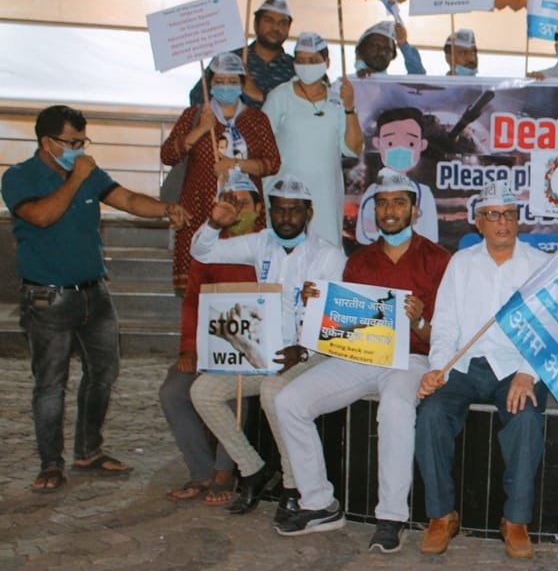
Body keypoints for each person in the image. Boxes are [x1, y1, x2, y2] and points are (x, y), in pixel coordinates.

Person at [3, 105, 190, 492]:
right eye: (71, 142)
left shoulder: (89, 173)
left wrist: (165, 209)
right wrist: (75, 178)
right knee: (50, 383)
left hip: (94, 292)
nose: (78, 149)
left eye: (82, 142)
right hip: (47, 297)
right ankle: (50, 464)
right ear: (47, 142)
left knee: (104, 372)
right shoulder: (19, 176)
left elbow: (128, 200)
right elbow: (41, 216)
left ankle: (89, 450)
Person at [274, 169, 450, 551]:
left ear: (414, 211)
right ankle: (319, 503)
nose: (389, 211)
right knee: (288, 401)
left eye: (398, 203)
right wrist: (317, 305)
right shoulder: (359, 261)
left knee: (396, 407)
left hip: (410, 359)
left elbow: (444, 336)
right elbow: (342, 325)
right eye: (382, 203)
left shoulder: (438, 260)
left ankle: (391, 517)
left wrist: (419, 320)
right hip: (361, 355)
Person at [189, 175, 347, 517]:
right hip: (265, 353)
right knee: (203, 391)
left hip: (310, 354)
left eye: (295, 210)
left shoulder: (329, 256)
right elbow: (201, 252)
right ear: (270, 212)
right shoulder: (261, 243)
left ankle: (292, 484)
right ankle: (252, 470)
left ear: (309, 213)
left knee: (273, 391)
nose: (286, 218)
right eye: (279, 210)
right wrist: (215, 223)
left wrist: (302, 350)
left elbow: (333, 323)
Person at [415, 182, 550, 559]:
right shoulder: (461, 263)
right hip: (465, 364)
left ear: (518, 220)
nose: (502, 222)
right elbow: (445, 325)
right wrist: (438, 369)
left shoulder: (540, 265)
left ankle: (516, 520)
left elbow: (549, 329)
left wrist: (528, 372)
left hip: (515, 367)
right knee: (431, 412)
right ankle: (441, 515)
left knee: (526, 418)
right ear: (478, 222)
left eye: (508, 214)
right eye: (492, 215)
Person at [160, 170, 259, 506]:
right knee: (173, 392)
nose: (237, 211)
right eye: (230, 203)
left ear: (259, 210)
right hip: (212, 345)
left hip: (254, 350)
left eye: (244, 204)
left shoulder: (269, 245)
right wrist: (188, 349)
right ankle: (200, 471)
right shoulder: (209, 249)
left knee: (230, 392)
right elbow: (192, 301)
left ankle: (224, 472)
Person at [162, 52, 281, 294]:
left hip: (245, 216)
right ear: (210, 84)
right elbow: (168, 156)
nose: (226, 86)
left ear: (242, 84)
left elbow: (273, 163)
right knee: (199, 286)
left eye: (232, 81)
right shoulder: (193, 115)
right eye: (220, 81)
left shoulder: (257, 119)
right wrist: (201, 129)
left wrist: (236, 165)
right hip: (200, 211)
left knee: (244, 285)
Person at [261, 32, 361, 248]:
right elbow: (260, 144)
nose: (306, 66)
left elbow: (353, 149)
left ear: (327, 62)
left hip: (325, 198)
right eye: (301, 60)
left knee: (324, 256)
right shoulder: (279, 96)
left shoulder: (337, 100)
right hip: (284, 198)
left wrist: (349, 106)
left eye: (313, 60)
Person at [187, 0, 295, 109]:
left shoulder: (295, 68)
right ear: (255, 24)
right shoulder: (229, 58)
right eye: (269, 20)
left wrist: (260, 96)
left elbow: (301, 110)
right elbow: (198, 97)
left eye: (283, 23)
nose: (276, 27)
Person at [355, 107, 440, 244]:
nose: (400, 149)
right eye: (390, 143)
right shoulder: (372, 192)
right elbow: (362, 236)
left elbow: (431, 238)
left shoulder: (424, 193)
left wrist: (383, 230)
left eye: (410, 143)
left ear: (422, 145)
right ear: (377, 143)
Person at [354, 20, 425, 77]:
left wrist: (404, 45)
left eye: (387, 49)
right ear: (360, 50)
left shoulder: (395, 87)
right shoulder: (349, 84)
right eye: (376, 46)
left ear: (393, 56)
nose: (382, 52)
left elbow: (418, 79)